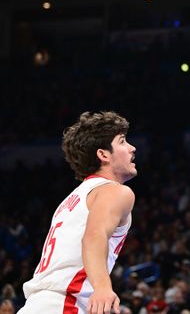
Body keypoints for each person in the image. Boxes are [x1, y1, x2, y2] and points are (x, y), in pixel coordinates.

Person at [19, 111, 137, 314]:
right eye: (122, 142)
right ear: (103, 154)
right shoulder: (115, 191)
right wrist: (102, 288)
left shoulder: (71, 200)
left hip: (38, 304)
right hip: (65, 305)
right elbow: (93, 236)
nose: (132, 148)